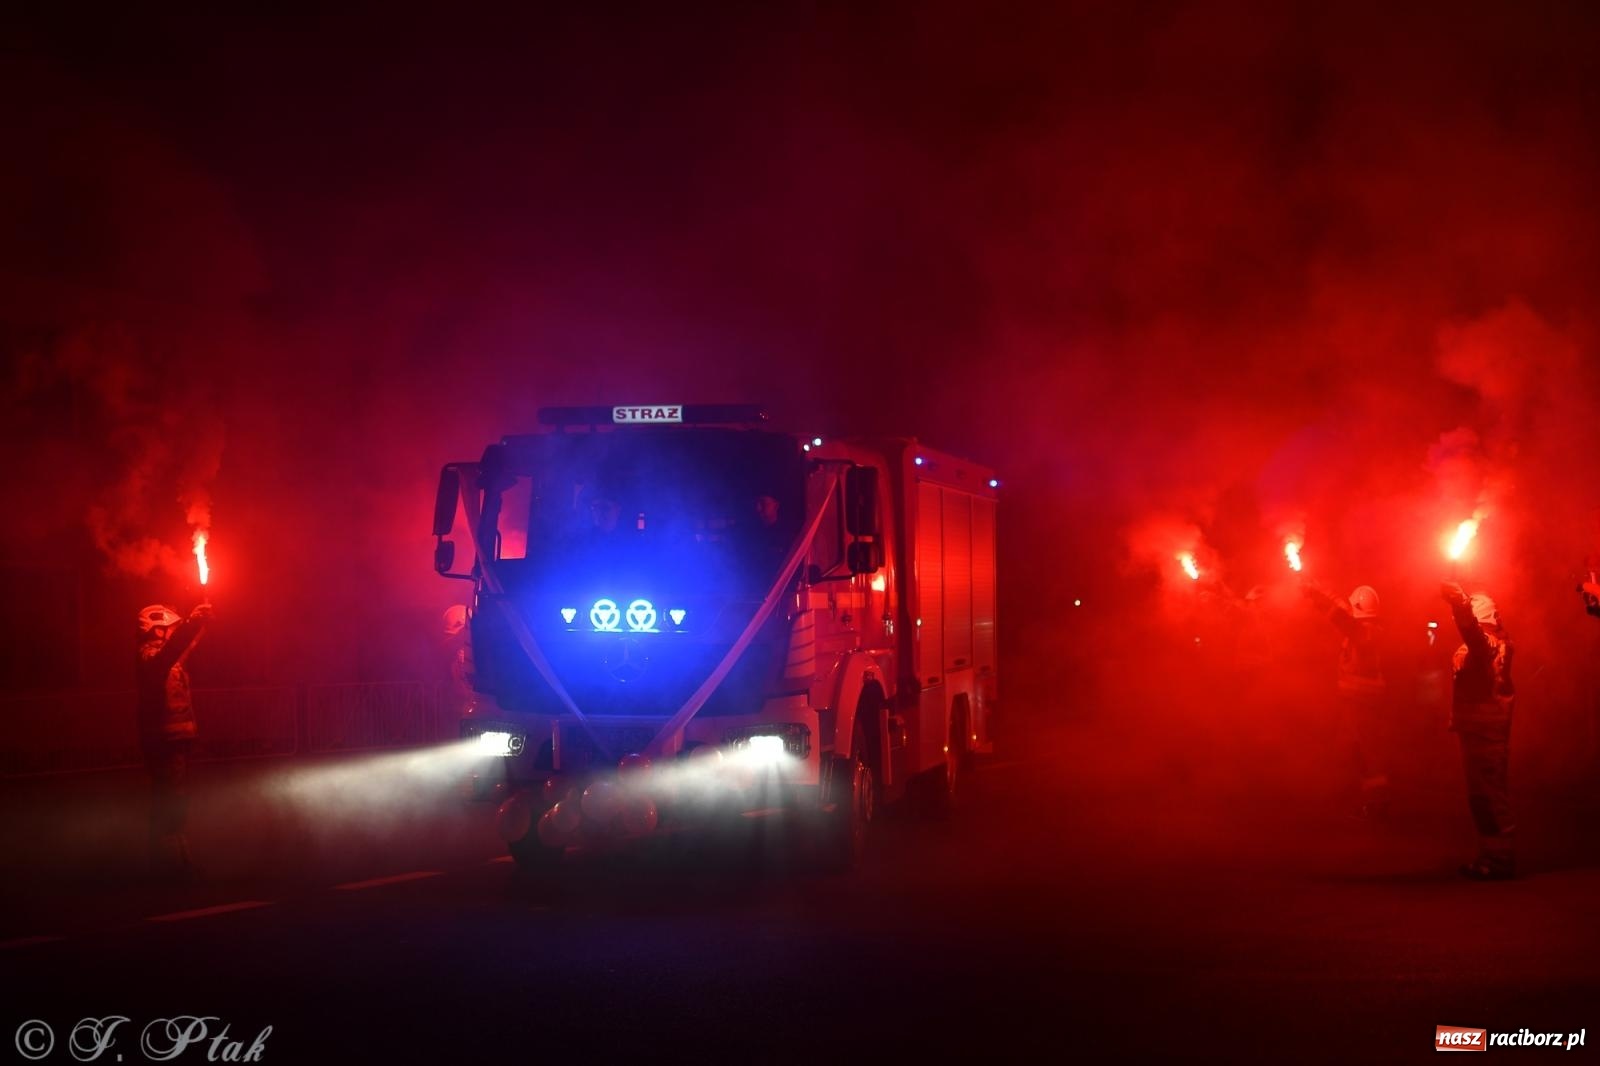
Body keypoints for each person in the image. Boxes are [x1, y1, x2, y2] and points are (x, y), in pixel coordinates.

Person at [1441, 581, 1515, 880]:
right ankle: (1491, 857)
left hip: (1486, 734)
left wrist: (1460, 607)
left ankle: (1500, 860)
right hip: (1477, 731)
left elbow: (1473, 636)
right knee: (1481, 798)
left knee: (1491, 798)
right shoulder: (1490, 644)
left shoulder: (1487, 644)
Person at [135, 601, 213, 877]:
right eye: (171, 628)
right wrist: (191, 623)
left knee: (173, 796)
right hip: (163, 740)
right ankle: (170, 864)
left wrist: (202, 622)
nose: (174, 632)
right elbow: (170, 653)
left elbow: (183, 646)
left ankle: (170, 859)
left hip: (175, 738)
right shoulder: (149, 658)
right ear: (157, 631)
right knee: (169, 797)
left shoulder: (167, 656)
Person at [1302, 581, 1389, 817]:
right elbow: (1344, 611)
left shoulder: (1366, 632)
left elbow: (1342, 619)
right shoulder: (1363, 628)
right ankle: (1353, 797)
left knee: (1368, 753)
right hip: (1354, 701)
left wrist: (1320, 601)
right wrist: (1317, 590)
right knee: (1353, 749)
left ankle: (1376, 803)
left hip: (1363, 703)